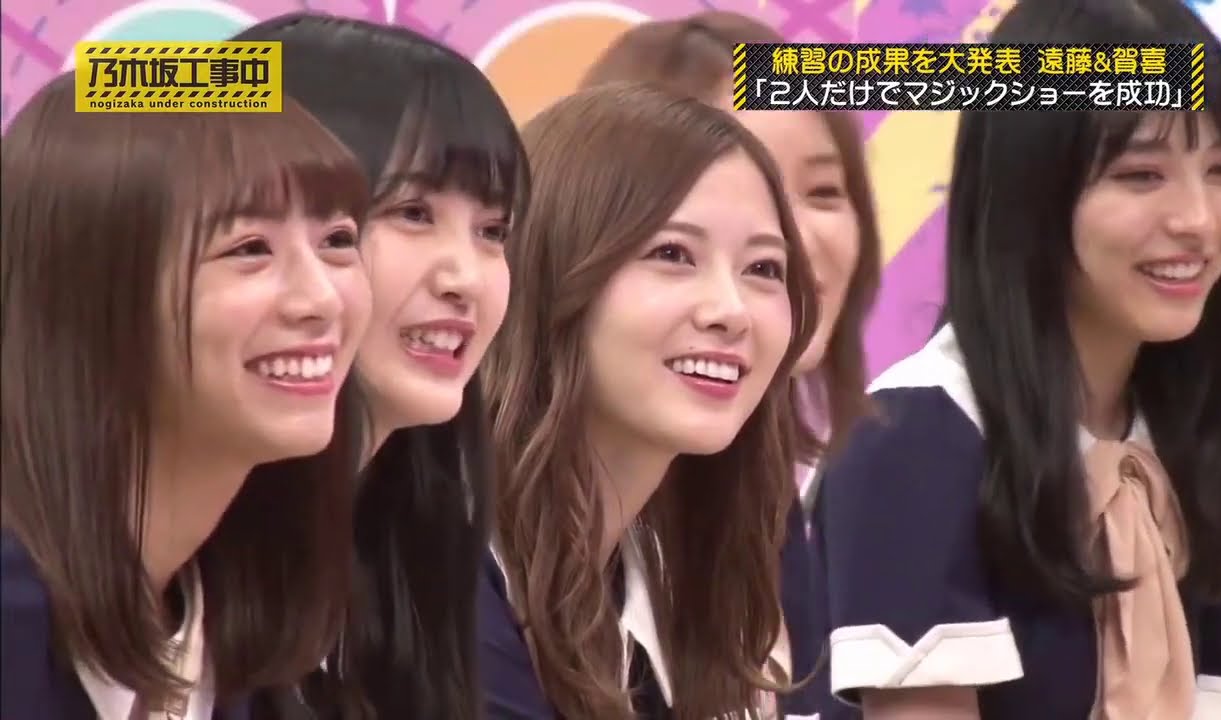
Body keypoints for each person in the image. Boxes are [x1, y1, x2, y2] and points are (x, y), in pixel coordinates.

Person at [816, 1, 1221, 718]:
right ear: (1028, 188)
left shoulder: (1194, 457)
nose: (1198, 220)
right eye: (1141, 175)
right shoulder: (914, 441)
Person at [1, 72, 372, 719]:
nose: (321, 299)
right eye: (250, 249)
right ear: (86, 293)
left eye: (338, 241)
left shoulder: (235, 620)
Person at [478, 82, 818, 719]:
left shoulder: (675, 572)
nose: (732, 311)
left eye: (764, 269)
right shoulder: (441, 563)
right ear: (551, 271)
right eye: (673, 254)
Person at [581, 13, 883, 715]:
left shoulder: (761, 495)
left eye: (823, 193)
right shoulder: (519, 531)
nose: (791, 238)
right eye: (746, 190)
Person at [231, 15, 528, 719]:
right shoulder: (137, 577)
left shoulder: (417, 553)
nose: (466, 278)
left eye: (492, 231)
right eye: (413, 212)